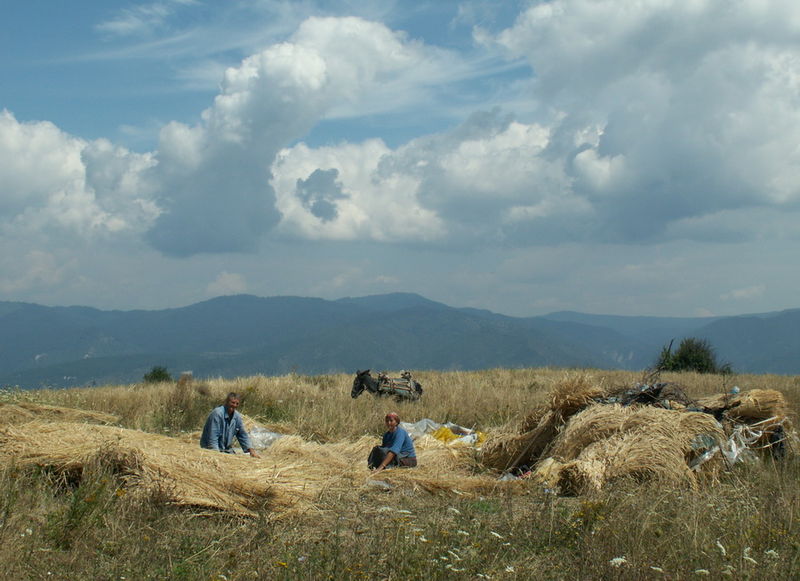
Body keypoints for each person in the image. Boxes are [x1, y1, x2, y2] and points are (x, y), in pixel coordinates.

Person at [200, 392, 260, 457]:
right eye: (232, 402)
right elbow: (212, 438)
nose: (234, 405)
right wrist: (216, 455)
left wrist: (251, 450)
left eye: (237, 403)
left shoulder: (237, 416)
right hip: (210, 449)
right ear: (227, 402)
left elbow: (242, 434)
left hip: (225, 450)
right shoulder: (217, 414)